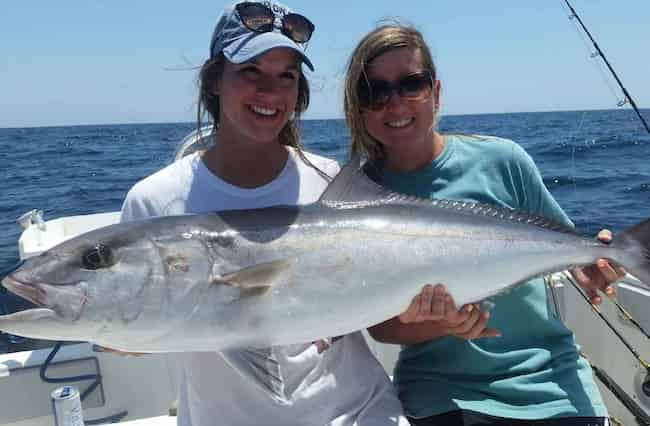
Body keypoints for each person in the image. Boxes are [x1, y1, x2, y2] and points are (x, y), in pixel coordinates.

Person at [119, 2, 406, 425]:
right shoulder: (156, 203)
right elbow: (140, 322)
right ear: (215, 80)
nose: (269, 92)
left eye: (286, 76)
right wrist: (121, 333)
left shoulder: (332, 182)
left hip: (361, 412)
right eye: (250, 71)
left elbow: (379, 289)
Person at [343, 23, 626, 426]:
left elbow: (567, 255)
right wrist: (443, 324)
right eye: (375, 91)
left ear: (436, 93)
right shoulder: (360, 196)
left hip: (550, 379)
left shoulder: (503, 161)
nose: (395, 103)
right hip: (439, 392)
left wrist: (593, 268)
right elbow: (381, 328)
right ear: (359, 106)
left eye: (411, 84)